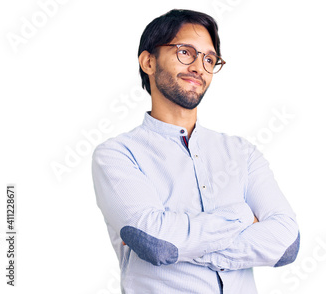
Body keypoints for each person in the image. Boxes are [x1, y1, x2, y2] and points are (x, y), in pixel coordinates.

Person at [92, 9, 299, 294]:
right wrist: (242, 217)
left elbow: (286, 244)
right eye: (185, 52)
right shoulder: (117, 155)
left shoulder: (242, 153)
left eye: (209, 59)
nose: (199, 67)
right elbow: (156, 243)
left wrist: (183, 246)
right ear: (148, 62)